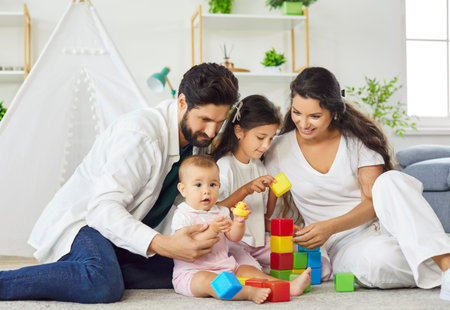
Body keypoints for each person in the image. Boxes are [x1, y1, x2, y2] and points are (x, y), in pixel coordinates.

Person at [0, 63, 240, 303]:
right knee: (103, 285)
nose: (211, 131)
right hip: (86, 223)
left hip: (120, 233)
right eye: (205, 119)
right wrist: (164, 244)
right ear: (181, 103)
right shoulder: (140, 135)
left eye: (220, 122)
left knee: (190, 268)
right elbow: (102, 210)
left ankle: (100, 268)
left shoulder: (197, 141)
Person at [264, 66, 450, 301]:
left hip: (387, 226)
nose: (303, 123)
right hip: (347, 247)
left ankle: (447, 265)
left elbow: (373, 203)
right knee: (378, 263)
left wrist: (329, 226)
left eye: (314, 116)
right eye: (297, 112)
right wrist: (288, 231)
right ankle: (437, 249)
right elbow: (266, 210)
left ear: (333, 111)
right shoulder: (278, 150)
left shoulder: (357, 141)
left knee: (390, 180)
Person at [171, 155, 311, 304]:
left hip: (225, 266)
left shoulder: (221, 211)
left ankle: (288, 287)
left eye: (212, 185)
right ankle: (248, 292)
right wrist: (212, 230)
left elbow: (234, 237)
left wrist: (239, 221)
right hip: (193, 273)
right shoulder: (182, 215)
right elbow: (188, 244)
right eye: (198, 185)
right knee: (210, 281)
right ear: (183, 189)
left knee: (248, 271)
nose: (206, 191)